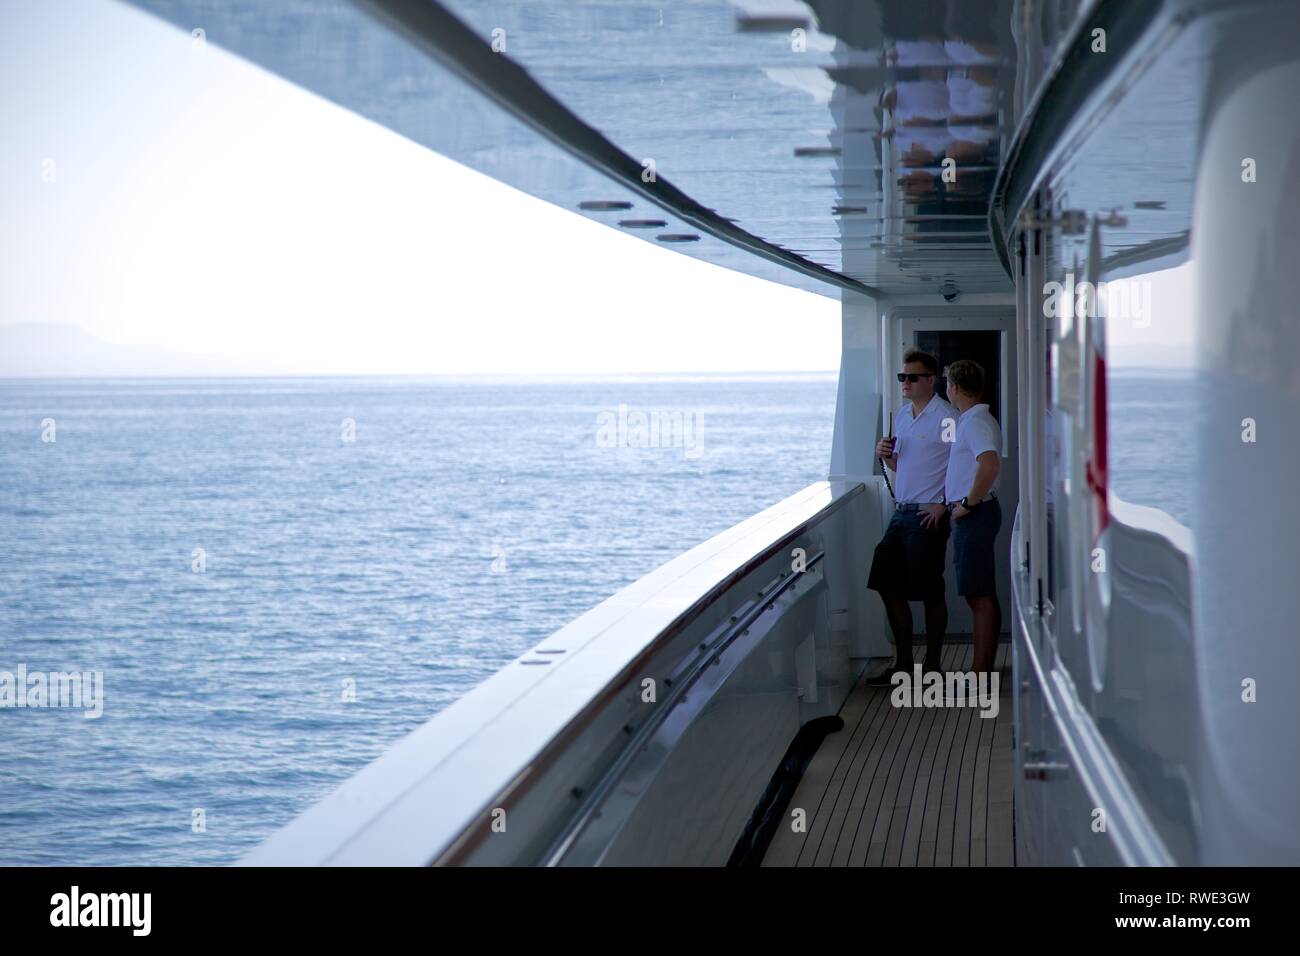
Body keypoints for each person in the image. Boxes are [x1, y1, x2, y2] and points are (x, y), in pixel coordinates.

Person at [866, 348, 957, 684]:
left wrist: (945, 504)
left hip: (928, 515)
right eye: (903, 377)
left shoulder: (946, 418)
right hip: (901, 512)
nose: (905, 382)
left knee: (930, 591)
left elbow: (962, 463)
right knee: (885, 582)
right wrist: (884, 455)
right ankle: (903, 665)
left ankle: (933, 667)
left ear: (931, 381)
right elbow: (900, 465)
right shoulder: (902, 416)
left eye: (913, 377)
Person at [942, 359, 1002, 675]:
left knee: (979, 596)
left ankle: (980, 674)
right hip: (976, 512)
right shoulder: (975, 420)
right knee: (980, 593)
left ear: (953, 388)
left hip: (975, 514)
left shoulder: (975, 423)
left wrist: (967, 502)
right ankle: (982, 669)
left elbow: (989, 463)